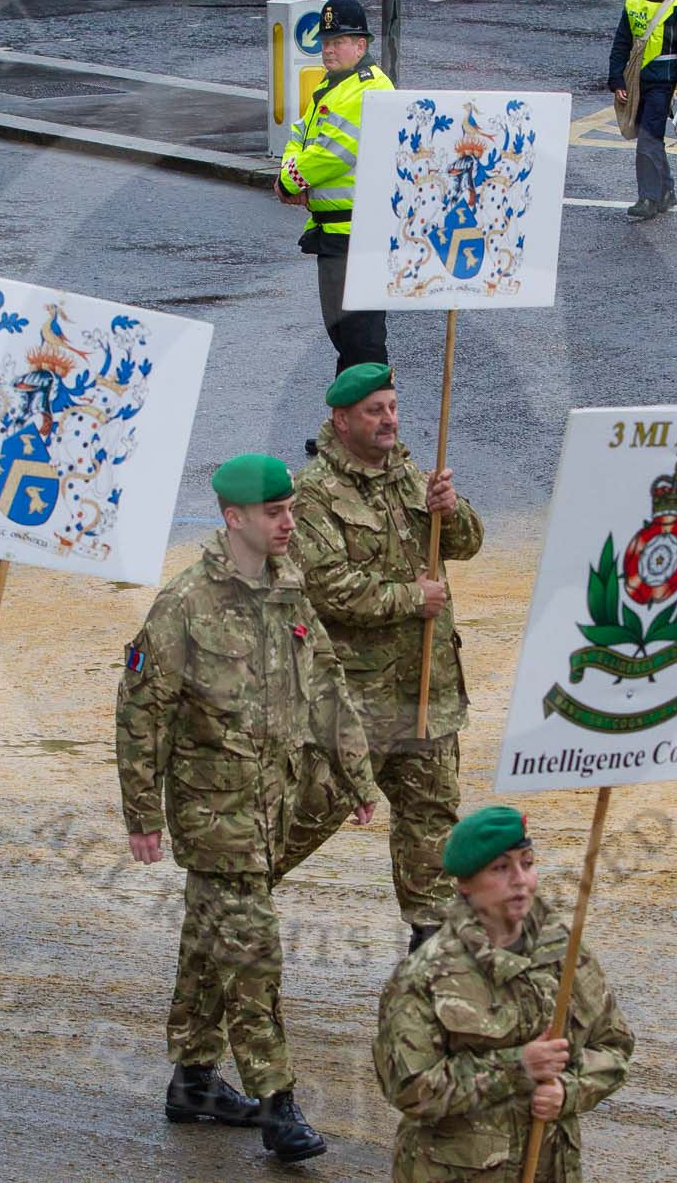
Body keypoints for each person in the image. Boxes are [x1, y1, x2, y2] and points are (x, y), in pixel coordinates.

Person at [116, 453, 381, 1166]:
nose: (289, 522)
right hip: (214, 813)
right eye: (275, 513)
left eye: (291, 509)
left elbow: (324, 679)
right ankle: (277, 1102)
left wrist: (356, 773)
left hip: (273, 805)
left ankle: (195, 1077)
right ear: (235, 519)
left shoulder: (285, 586)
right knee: (254, 950)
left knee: (214, 932)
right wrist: (143, 811)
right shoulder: (185, 605)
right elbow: (142, 712)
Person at [287, 363, 482, 954]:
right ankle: (229, 901)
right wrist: (410, 598)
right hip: (355, 709)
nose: (389, 420)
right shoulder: (314, 493)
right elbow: (324, 587)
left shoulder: (411, 478)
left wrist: (451, 509)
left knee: (434, 836)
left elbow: (466, 545)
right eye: (375, 411)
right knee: (298, 821)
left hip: (428, 693)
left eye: (393, 408)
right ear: (341, 421)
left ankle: (433, 980)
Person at [374, 806, 634, 1181]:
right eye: (500, 868)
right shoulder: (426, 976)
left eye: (527, 864)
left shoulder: (565, 954)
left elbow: (615, 1045)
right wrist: (518, 1068)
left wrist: (568, 1088)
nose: (520, 880)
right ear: (465, 883)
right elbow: (410, 1088)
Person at [277, 0, 394, 372]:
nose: (328, 50)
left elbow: (333, 153)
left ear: (360, 46)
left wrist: (290, 182)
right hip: (334, 233)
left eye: (339, 41)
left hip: (358, 235)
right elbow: (299, 137)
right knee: (344, 338)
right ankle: (348, 429)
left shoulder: (369, 88)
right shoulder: (333, 86)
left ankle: (375, 425)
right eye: (326, 41)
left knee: (362, 342)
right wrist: (290, 174)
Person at [605, 0, 677, 221]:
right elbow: (622, 42)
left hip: (663, 81)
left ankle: (649, 197)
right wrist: (617, 79)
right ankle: (667, 191)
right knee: (652, 139)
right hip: (637, 81)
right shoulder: (632, 1)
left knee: (647, 139)